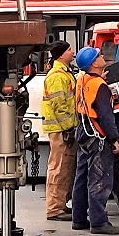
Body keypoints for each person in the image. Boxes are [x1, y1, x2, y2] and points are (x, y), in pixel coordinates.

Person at [71, 46, 119, 234]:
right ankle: (99, 222)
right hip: (97, 135)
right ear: (94, 63)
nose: (103, 57)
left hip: (83, 132)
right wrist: (114, 139)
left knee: (81, 176)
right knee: (100, 178)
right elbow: (106, 116)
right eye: (99, 56)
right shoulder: (99, 86)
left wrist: (102, 81)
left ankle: (79, 219)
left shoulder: (83, 79)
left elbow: (88, 95)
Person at [41, 41, 77, 221]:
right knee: (59, 168)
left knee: (66, 168)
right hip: (61, 130)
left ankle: (60, 204)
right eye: (69, 49)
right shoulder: (57, 76)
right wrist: (68, 128)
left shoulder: (64, 73)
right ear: (61, 54)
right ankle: (54, 209)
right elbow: (59, 105)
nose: (73, 52)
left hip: (64, 129)